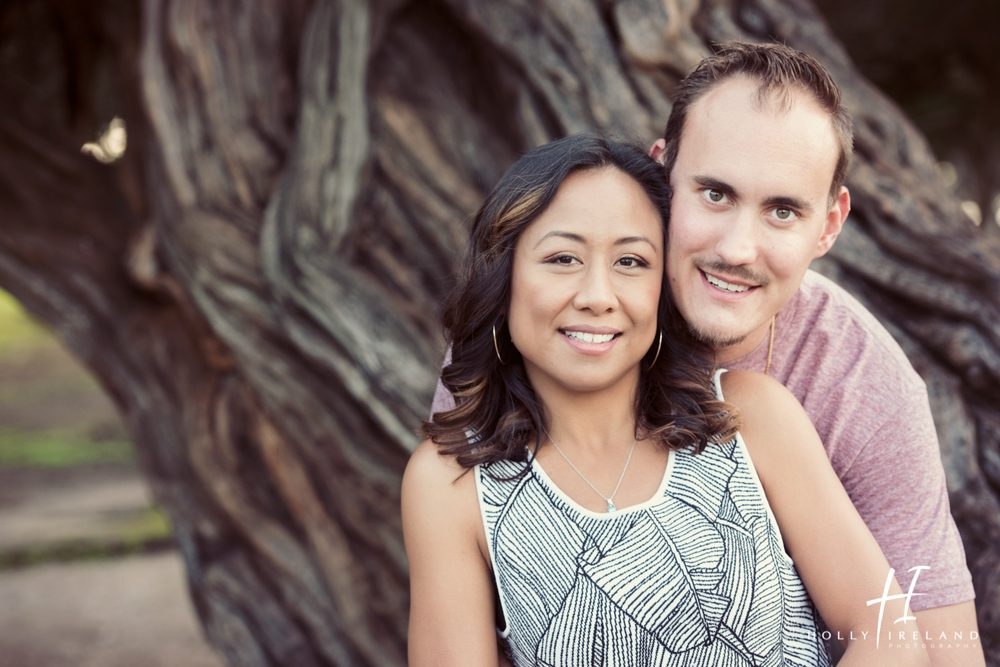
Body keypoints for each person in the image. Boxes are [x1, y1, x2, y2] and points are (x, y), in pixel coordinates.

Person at [429, 42, 981, 665]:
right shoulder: (542, 335)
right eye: (715, 194)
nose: (738, 249)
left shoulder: (858, 384)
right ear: (663, 177)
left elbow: (937, 653)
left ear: (827, 226)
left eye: (782, 210)